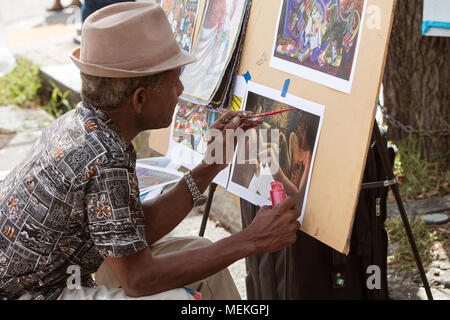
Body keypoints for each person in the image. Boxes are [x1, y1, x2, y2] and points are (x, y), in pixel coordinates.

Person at [0, 2, 300, 300]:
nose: (181, 90)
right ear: (140, 99)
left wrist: (211, 165)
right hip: (31, 294)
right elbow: (139, 281)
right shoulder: (105, 156)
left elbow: (137, 229)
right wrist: (251, 239)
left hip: (59, 276)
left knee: (199, 254)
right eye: (174, 82)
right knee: (179, 301)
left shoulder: (85, 125)